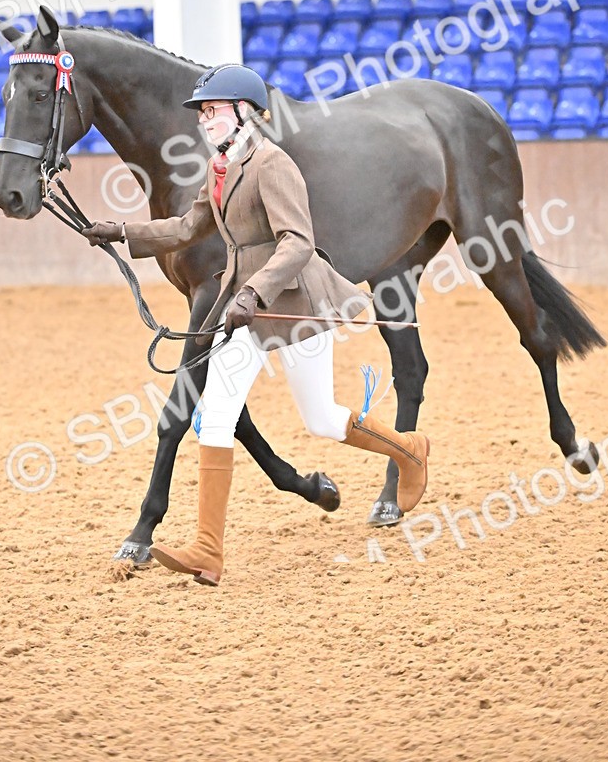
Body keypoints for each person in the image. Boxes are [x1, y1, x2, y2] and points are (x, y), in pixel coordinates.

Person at [82, 63, 430, 586]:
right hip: (244, 305)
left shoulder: (272, 164)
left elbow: (298, 242)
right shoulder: (219, 168)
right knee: (218, 413)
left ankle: (409, 450)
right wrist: (120, 232)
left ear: (245, 113)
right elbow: (186, 227)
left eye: (214, 111)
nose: (205, 120)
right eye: (202, 112)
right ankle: (207, 550)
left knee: (321, 419)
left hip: (295, 303)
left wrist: (254, 290)